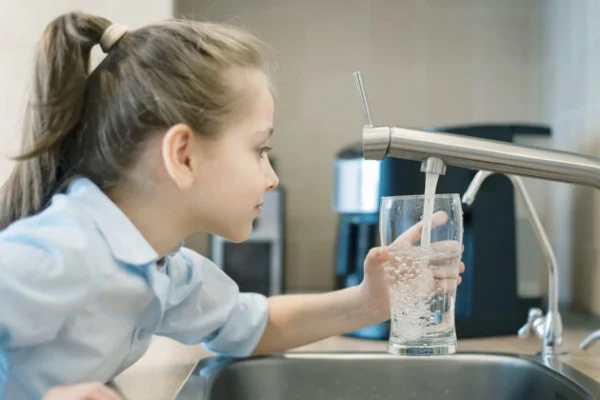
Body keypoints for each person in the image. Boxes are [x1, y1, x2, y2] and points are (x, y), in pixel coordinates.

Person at [0, 12, 465, 400]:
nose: (272, 175)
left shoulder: (162, 268)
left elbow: (250, 324)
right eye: (259, 149)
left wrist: (369, 302)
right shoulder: (64, 251)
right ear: (183, 155)